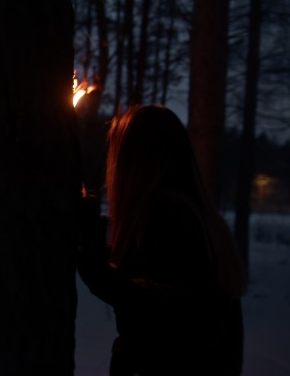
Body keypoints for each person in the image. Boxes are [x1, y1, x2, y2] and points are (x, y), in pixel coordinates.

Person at [77, 104, 247, 376]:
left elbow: (169, 310)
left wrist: (99, 271)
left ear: (134, 159)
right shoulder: (198, 215)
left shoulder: (165, 214)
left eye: (118, 151)